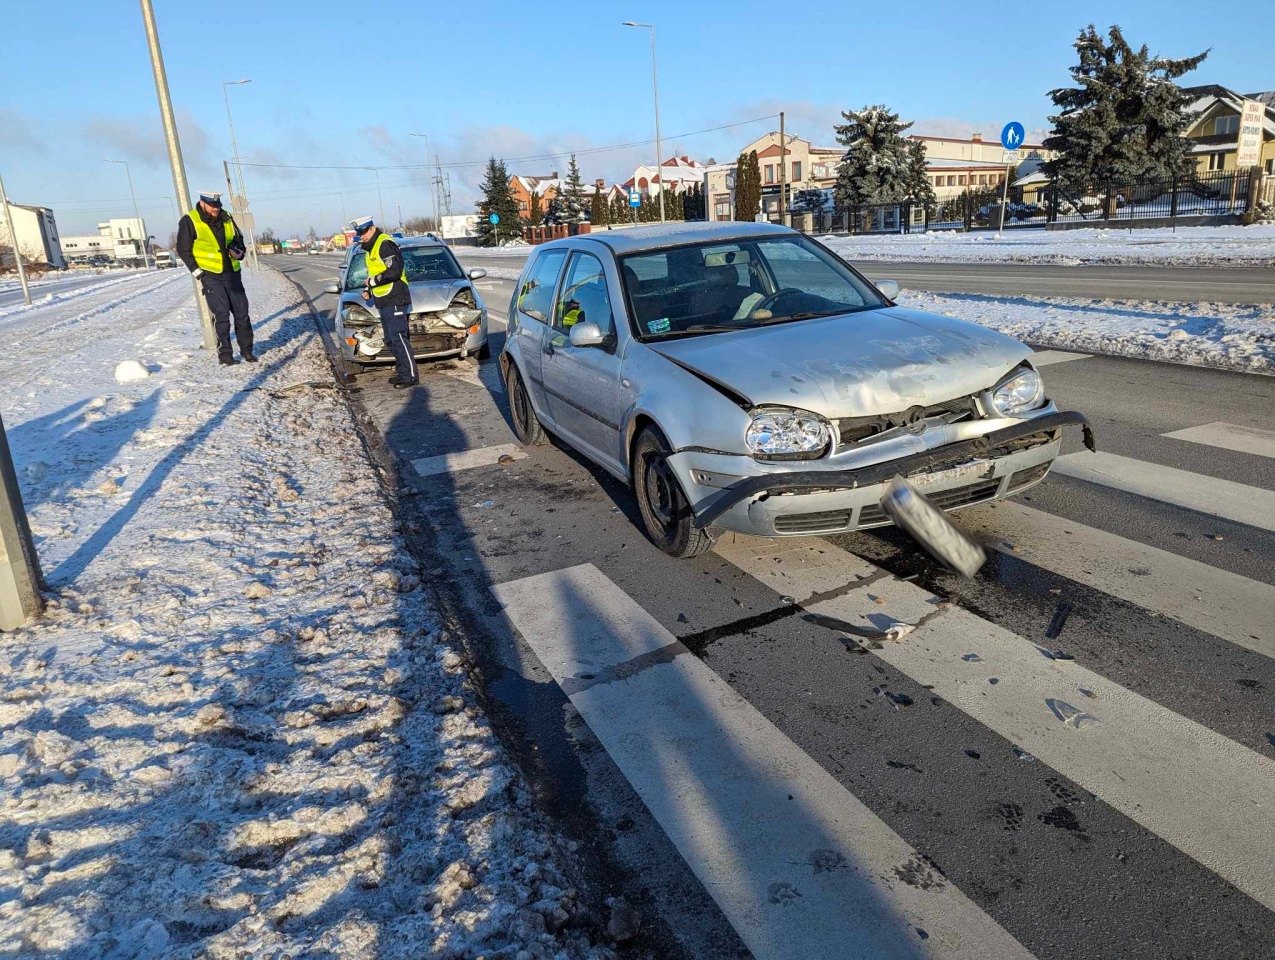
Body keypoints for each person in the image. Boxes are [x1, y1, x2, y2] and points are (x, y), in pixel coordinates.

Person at [175, 191, 254, 366]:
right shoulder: (190, 220)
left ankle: (247, 351)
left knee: (242, 314)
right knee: (222, 315)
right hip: (211, 276)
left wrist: (238, 252)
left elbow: (239, 239)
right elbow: (183, 249)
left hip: (232, 274)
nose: (215, 209)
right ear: (202, 203)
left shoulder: (227, 218)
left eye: (217, 206)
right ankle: (226, 356)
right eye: (212, 206)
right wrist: (198, 273)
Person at [349, 216, 416, 387]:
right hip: (383, 299)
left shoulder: (384, 244)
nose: (361, 236)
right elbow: (377, 272)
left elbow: (394, 271)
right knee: (391, 339)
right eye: (359, 233)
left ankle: (410, 377)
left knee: (398, 338)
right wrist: (368, 290)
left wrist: (373, 282)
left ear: (372, 228)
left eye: (363, 232)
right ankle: (403, 374)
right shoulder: (370, 248)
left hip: (394, 296)